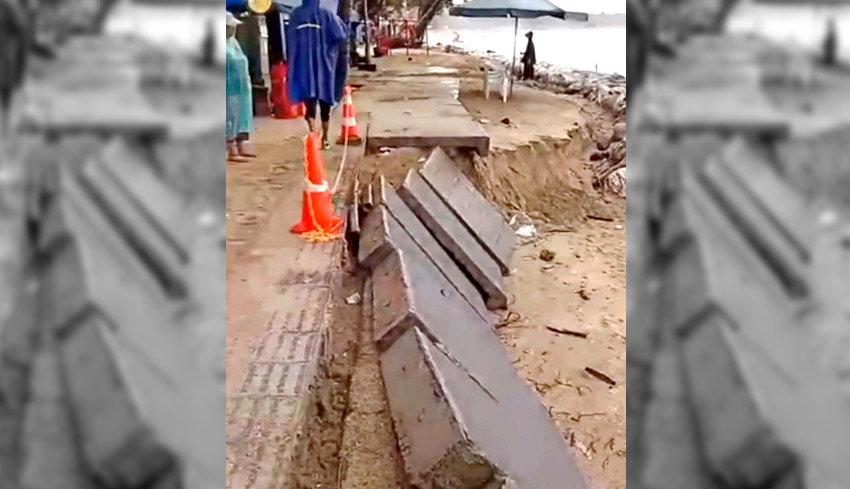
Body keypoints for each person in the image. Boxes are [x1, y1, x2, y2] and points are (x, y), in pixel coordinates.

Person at [287, 0, 347, 150]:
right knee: (325, 100)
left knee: (309, 101)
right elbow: (340, 36)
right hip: (323, 65)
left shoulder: (296, 15)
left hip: (303, 65)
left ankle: (313, 134)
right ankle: (325, 138)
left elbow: (289, 38)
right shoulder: (326, 15)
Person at [226, 11, 256, 162]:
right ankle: (231, 149)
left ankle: (241, 143)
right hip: (228, 87)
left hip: (242, 87)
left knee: (242, 115)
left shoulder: (233, 42)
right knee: (229, 116)